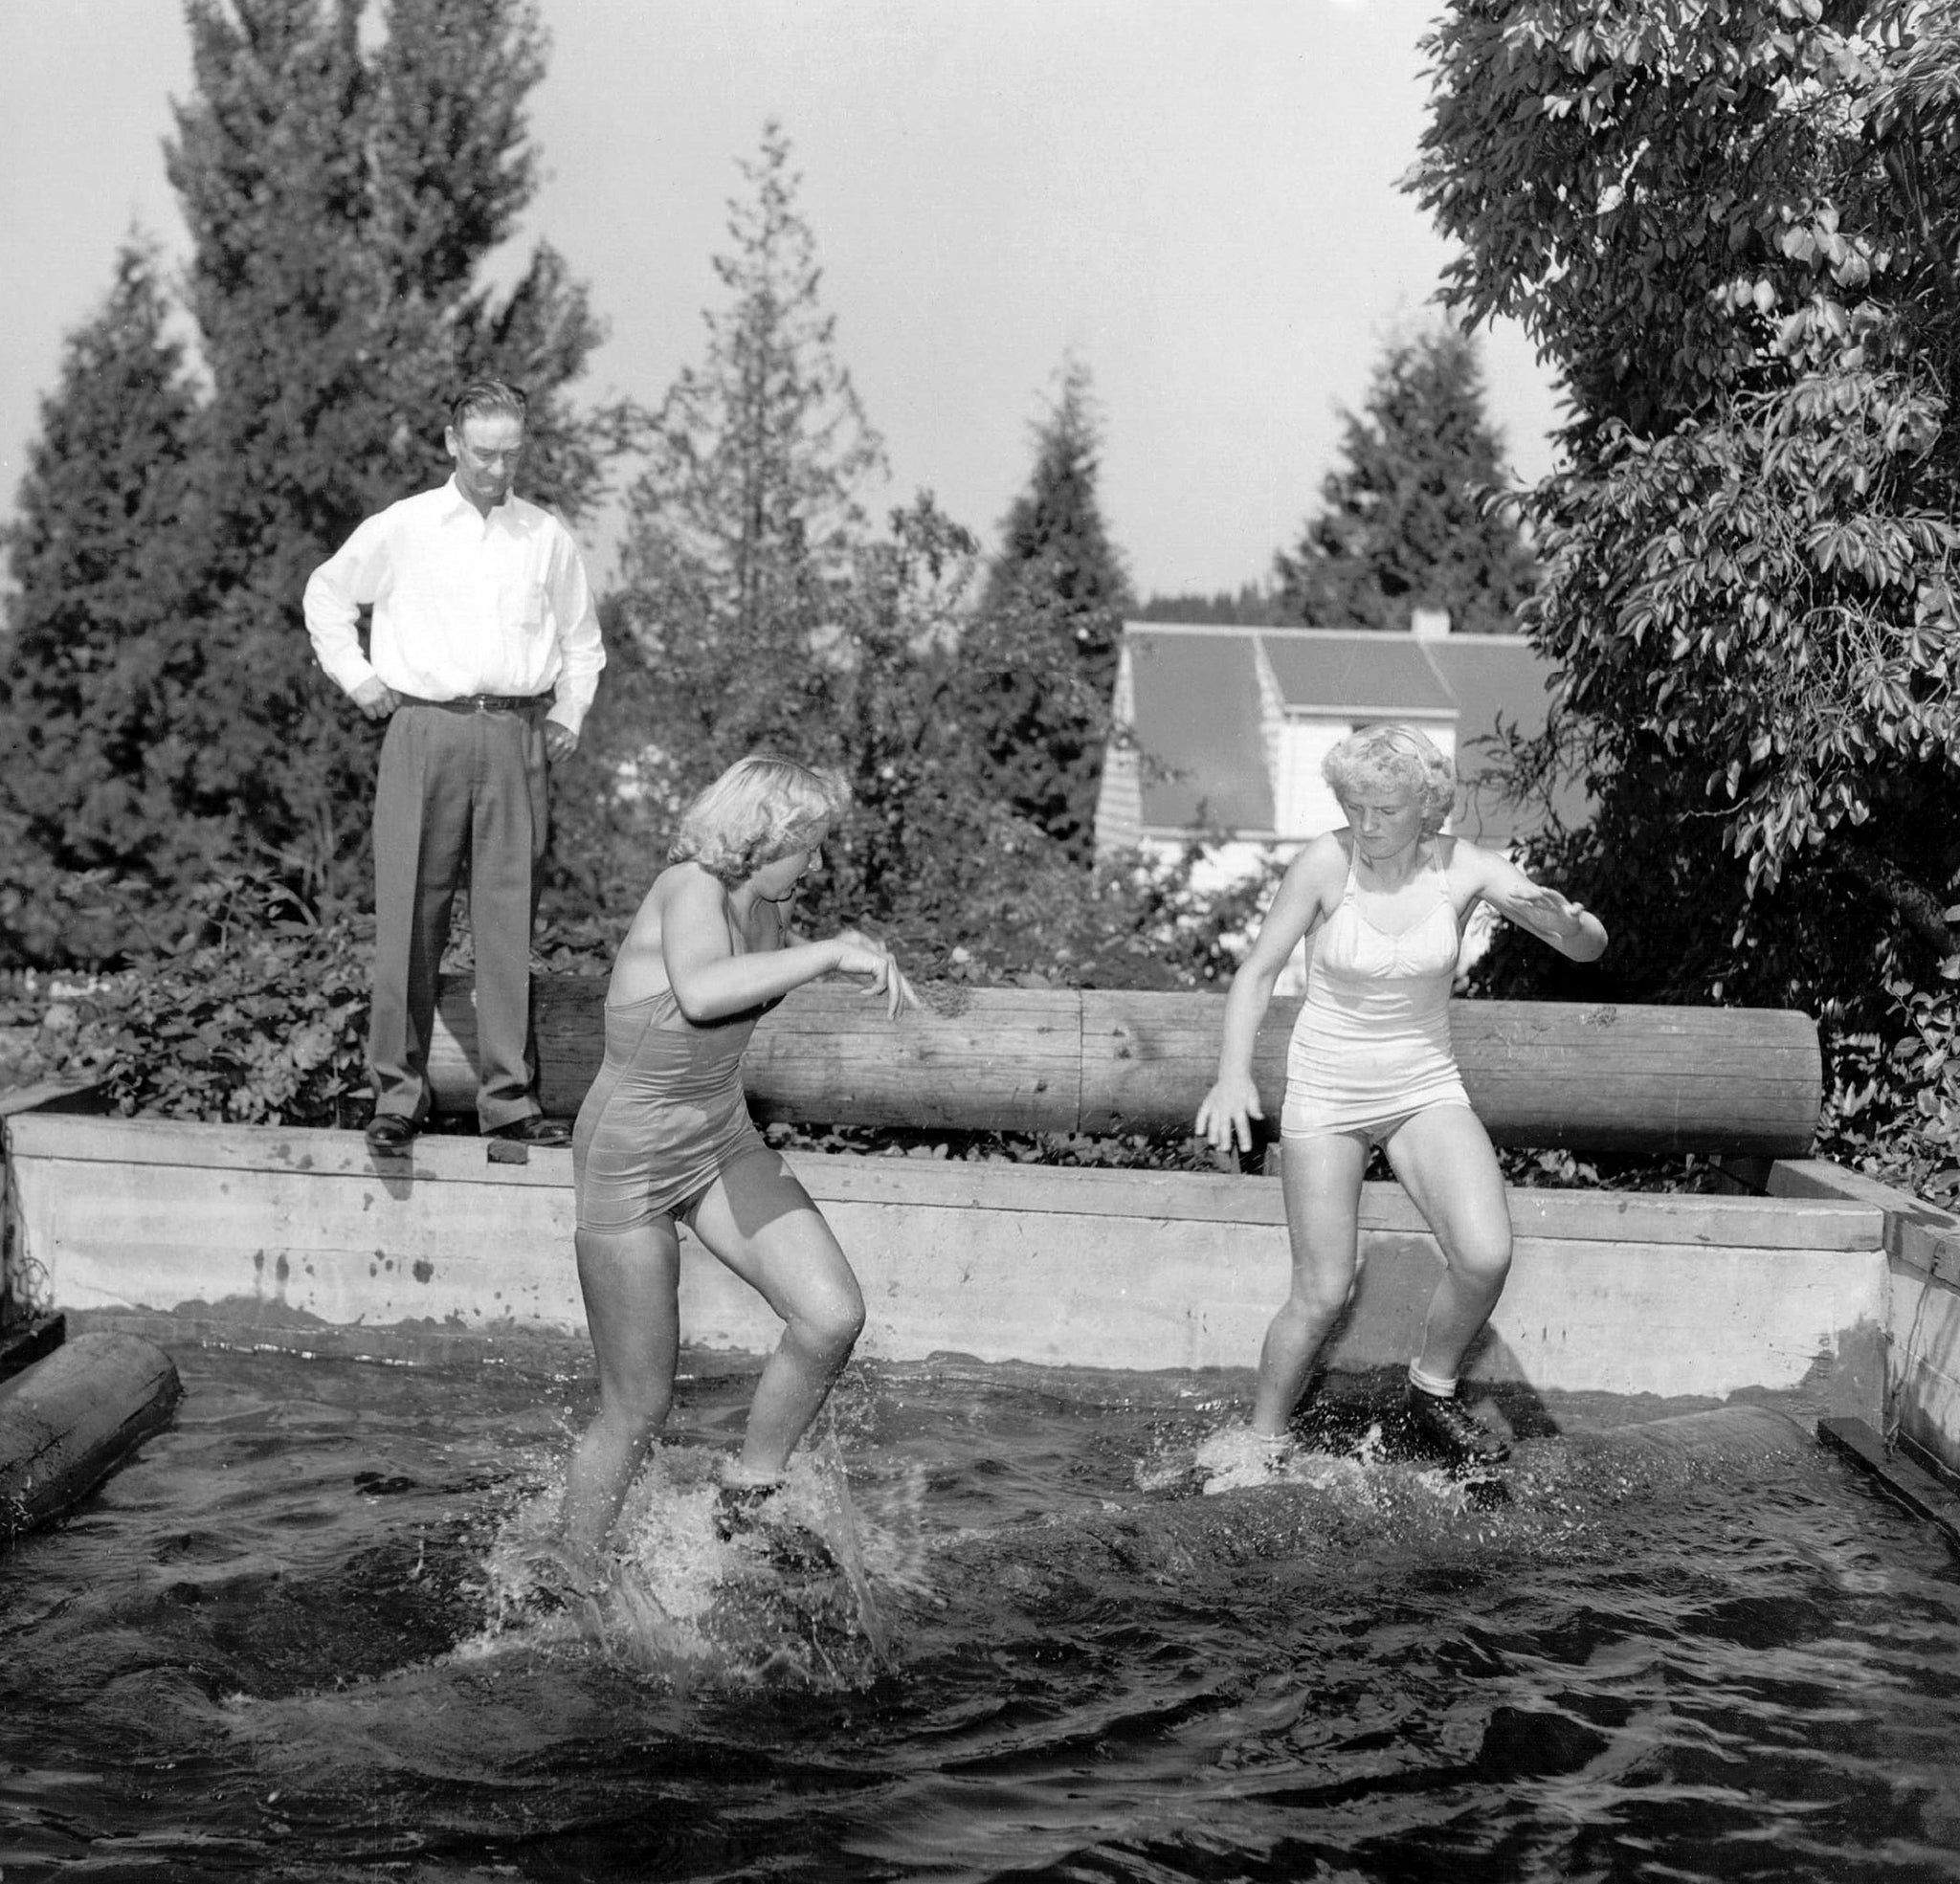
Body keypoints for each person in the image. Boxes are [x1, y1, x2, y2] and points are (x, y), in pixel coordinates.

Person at [1194, 723, 1608, 1472]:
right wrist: (1232, 1075)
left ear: (1428, 807)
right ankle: (1259, 1445)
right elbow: (1255, 972)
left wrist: (1569, 923)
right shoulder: (1328, 861)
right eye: (1356, 806)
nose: (1368, 823)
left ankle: (1432, 1387)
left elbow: (1589, 947)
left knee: (1486, 1253)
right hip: (1327, 1088)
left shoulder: (1464, 868)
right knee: (1323, 1291)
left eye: (1385, 808)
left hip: (1423, 1085)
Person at [556, 754, 917, 1578]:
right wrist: (829, 954)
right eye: (811, 846)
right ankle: (567, 1576)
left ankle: (747, 1493)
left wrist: (828, 950)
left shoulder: (768, 911)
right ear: (765, 836)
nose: (819, 864)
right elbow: (704, 992)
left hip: (720, 1136)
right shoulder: (692, 887)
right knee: (639, 1407)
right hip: (632, 1156)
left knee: (830, 1316)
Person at [302, 378, 606, 1154]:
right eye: (483, 453)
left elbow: (582, 642)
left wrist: (567, 715)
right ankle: (397, 1096)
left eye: (511, 454)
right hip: (423, 732)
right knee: (408, 912)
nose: (498, 470)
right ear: (451, 443)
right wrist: (360, 678)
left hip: (513, 735)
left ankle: (509, 1097)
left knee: (509, 921)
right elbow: (327, 594)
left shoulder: (543, 536)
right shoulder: (405, 527)